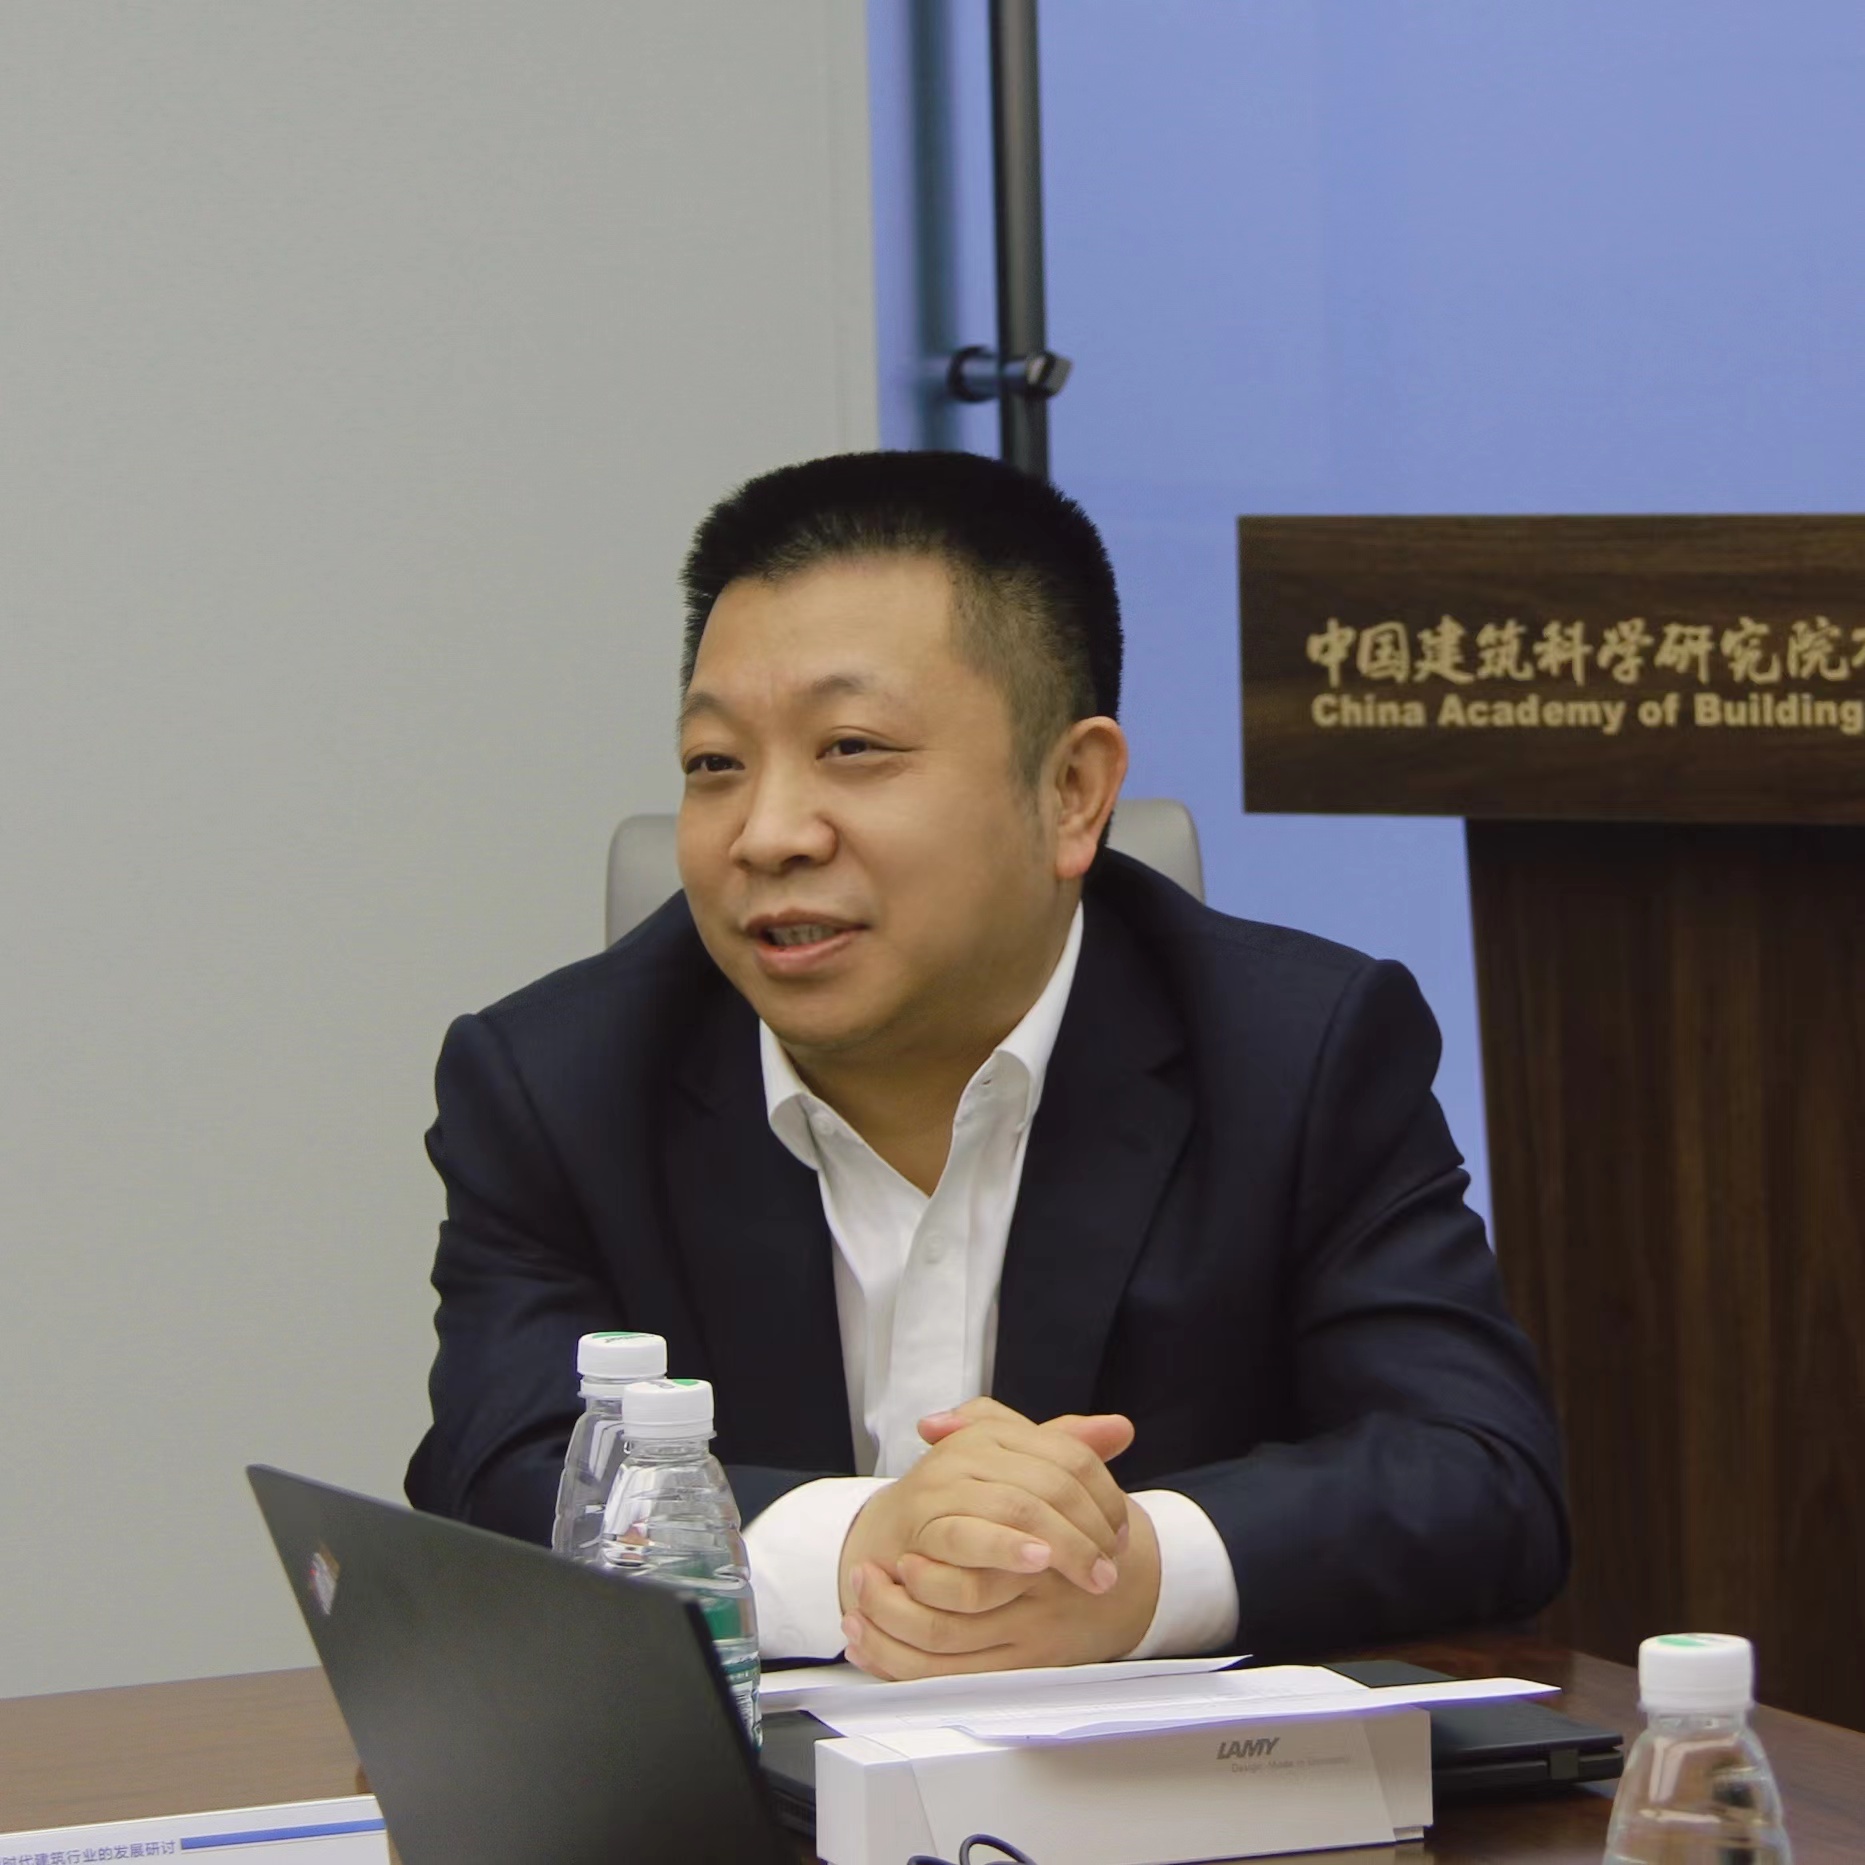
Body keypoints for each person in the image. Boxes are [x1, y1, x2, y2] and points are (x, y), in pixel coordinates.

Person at [406, 450, 1567, 1678]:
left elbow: (1477, 1473)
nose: (767, 833)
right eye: (714, 763)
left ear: (1071, 791)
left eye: (852, 746)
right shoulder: (553, 1082)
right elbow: (495, 1473)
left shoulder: (1298, 1050)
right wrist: (859, 1544)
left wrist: (1132, 1572)